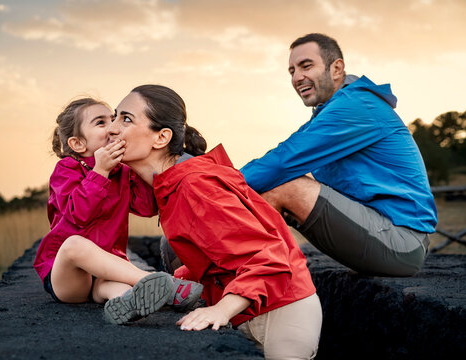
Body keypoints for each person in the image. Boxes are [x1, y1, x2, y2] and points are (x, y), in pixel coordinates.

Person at [109, 85, 322, 359]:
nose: (112, 128)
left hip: (280, 315)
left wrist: (219, 310)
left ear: (161, 137)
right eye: (113, 117)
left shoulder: (194, 186)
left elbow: (268, 257)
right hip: (250, 307)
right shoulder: (172, 186)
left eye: (126, 119)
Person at [240, 33, 437, 277]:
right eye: (291, 71)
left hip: (401, 242)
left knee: (287, 186)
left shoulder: (357, 105)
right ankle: (231, 271)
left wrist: (217, 184)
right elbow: (279, 155)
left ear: (337, 68)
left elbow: (282, 161)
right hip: (378, 232)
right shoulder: (330, 113)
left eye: (306, 65)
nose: (296, 77)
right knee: (271, 186)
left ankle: (242, 277)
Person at [33, 97, 203, 324]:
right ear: (78, 144)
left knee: (115, 285)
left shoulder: (122, 172)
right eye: (101, 123)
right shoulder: (67, 169)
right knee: (74, 244)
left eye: (114, 119)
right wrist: (100, 171)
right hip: (67, 275)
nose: (113, 127)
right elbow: (77, 215)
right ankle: (167, 284)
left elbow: (147, 207)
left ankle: (125, 303)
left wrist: (138, 167)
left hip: (105, 270)